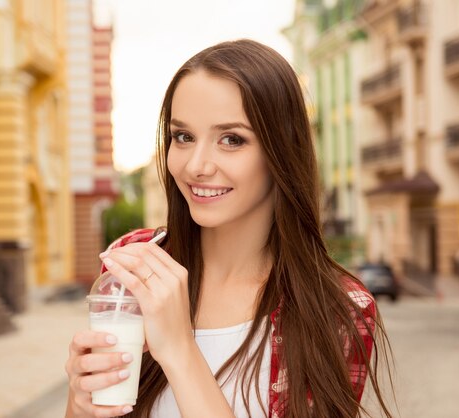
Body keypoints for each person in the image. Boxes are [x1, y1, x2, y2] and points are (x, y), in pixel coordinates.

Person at [64, 39, 394, 418]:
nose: (196, 166)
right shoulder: (137, 264)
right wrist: (80, 403)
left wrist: (180, 352)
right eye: (183, 137)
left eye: (231, 139)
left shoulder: (337, 310)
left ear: (281, 151)